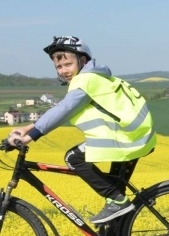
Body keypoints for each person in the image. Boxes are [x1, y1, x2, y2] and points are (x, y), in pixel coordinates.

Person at [7, 36, 156, 224]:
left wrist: (31, 136)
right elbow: (63, 107)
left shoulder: (85, 81)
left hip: (128, 137)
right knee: (115, 192)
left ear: (83, 60)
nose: (64, 71)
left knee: (73, 158)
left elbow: (64, 110)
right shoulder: (96, 77)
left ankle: (117, 200)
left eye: (68, 64)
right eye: (59, 67)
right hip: (137, 135)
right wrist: (28, 127)